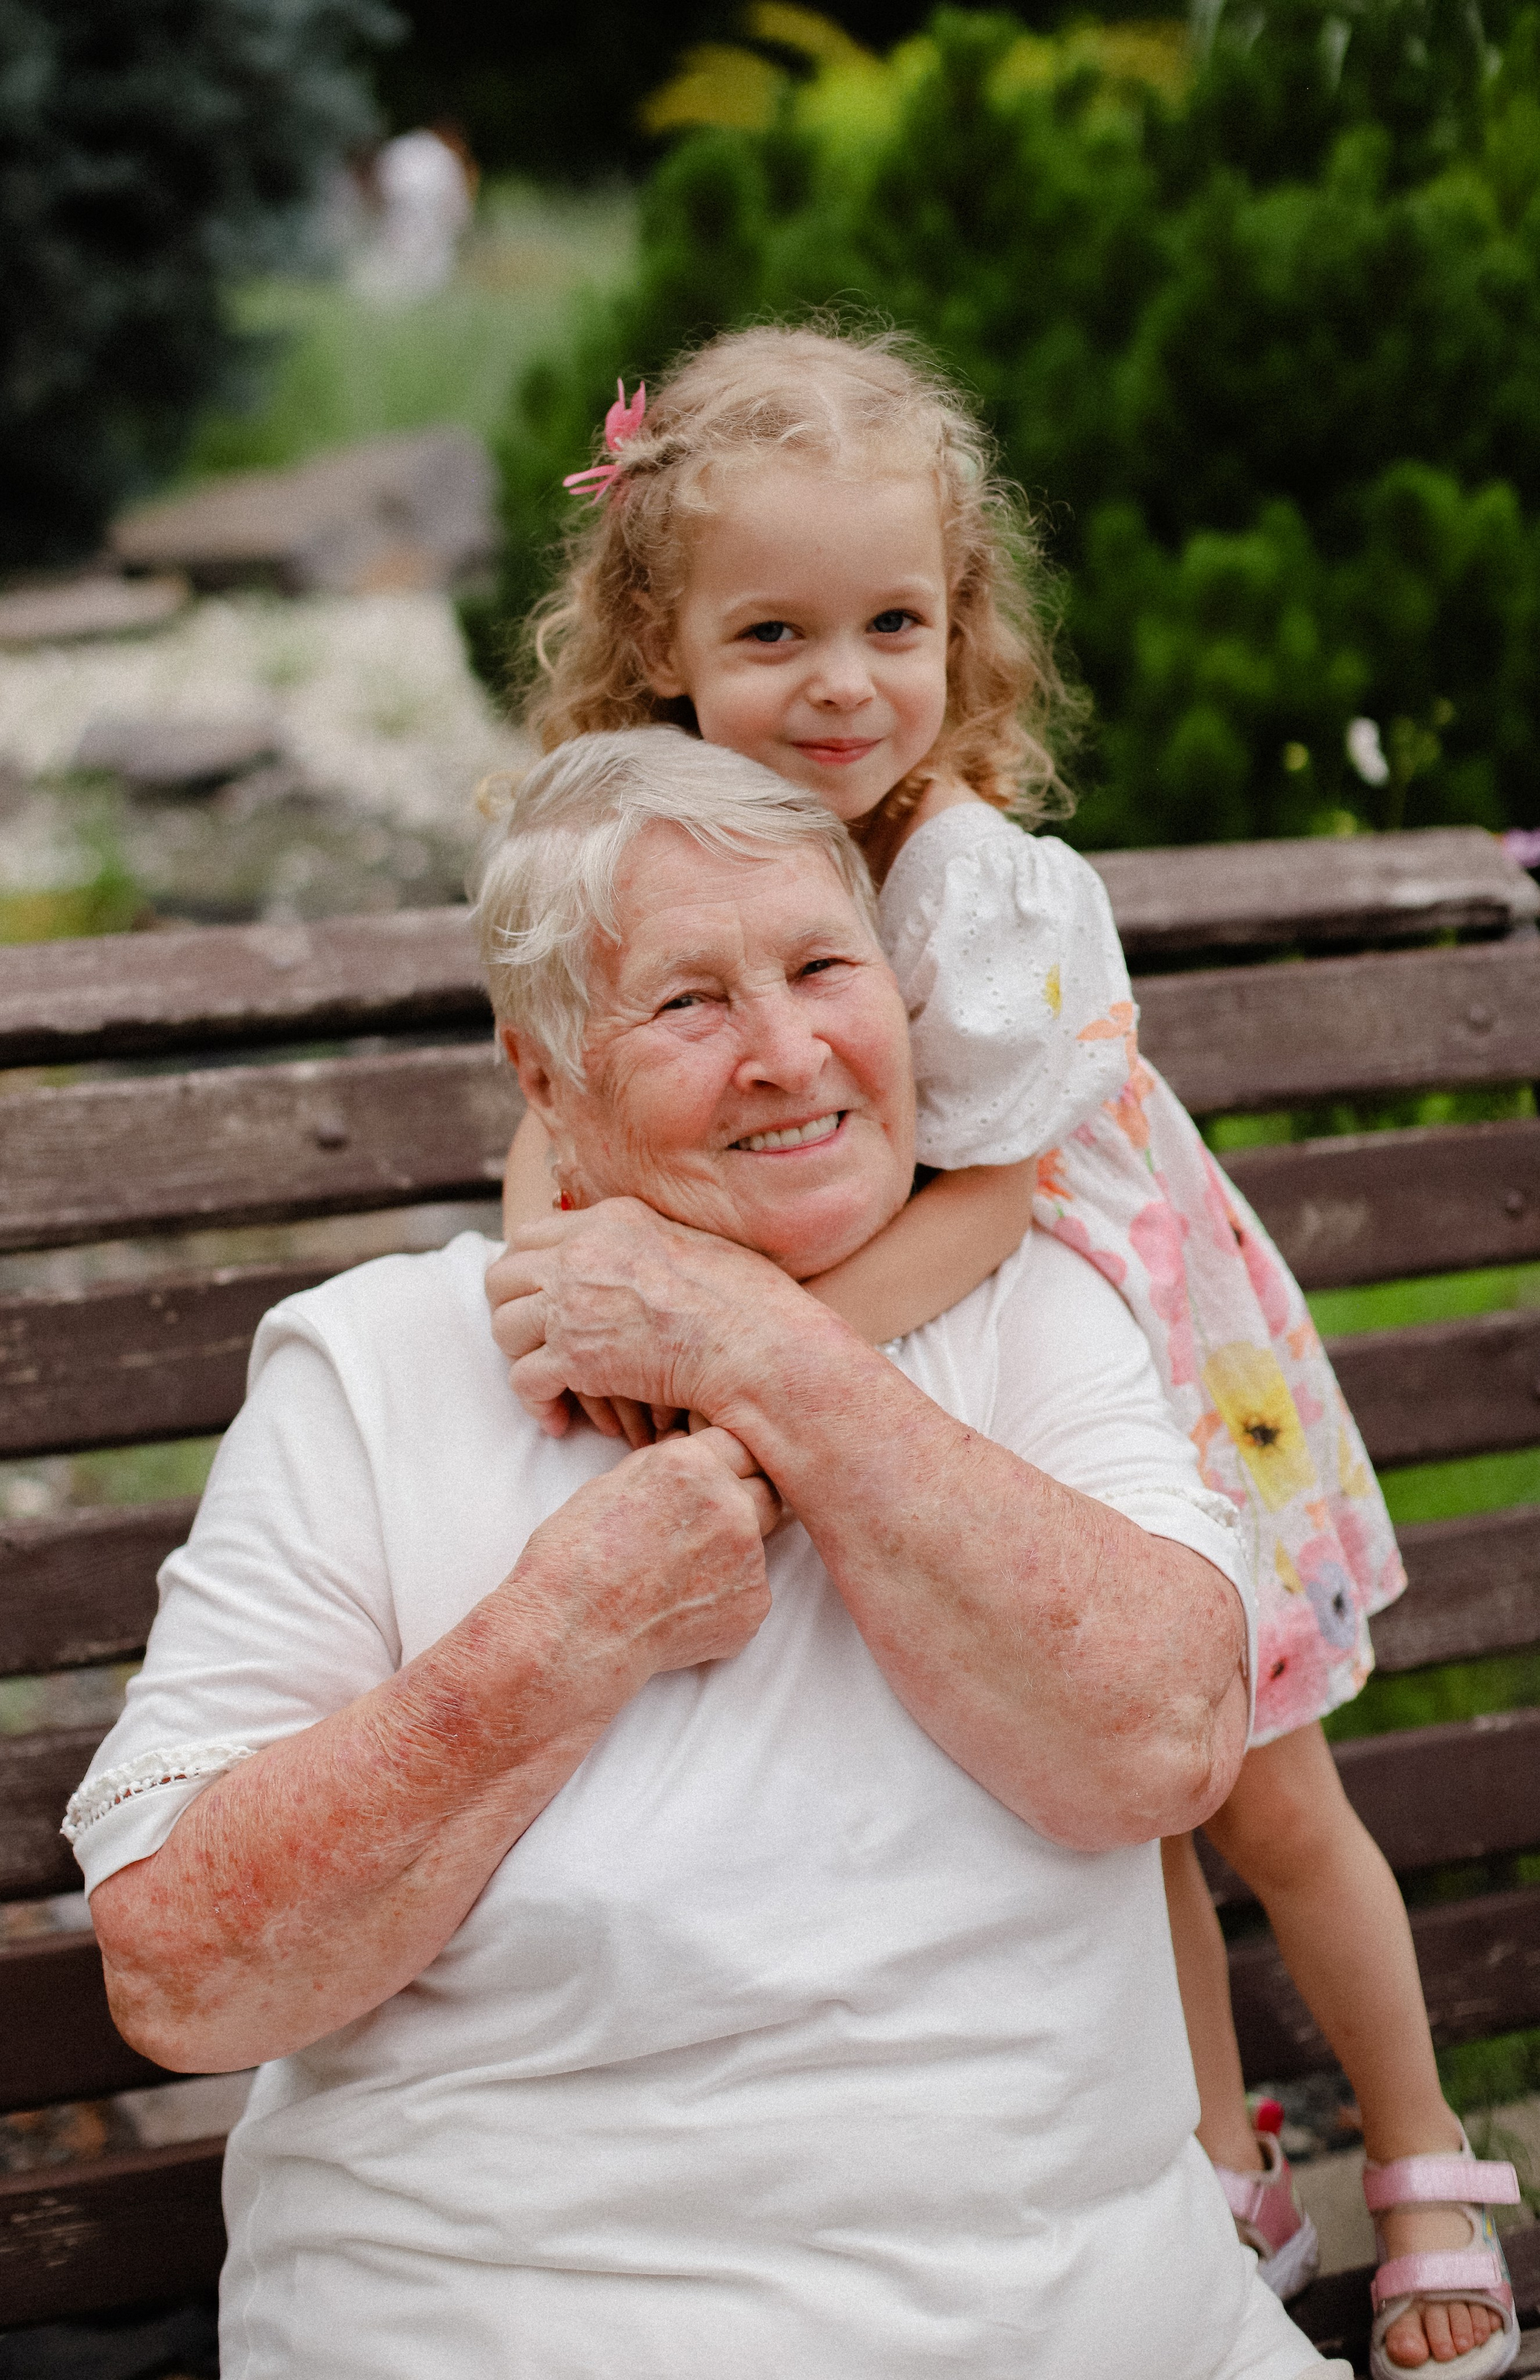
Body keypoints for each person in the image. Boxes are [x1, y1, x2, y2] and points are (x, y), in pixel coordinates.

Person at [71, 729, 1348, 2380]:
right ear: (545, 1082)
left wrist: (771, 1359)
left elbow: (1165, 1741)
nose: (789, 1052)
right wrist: (557, 1637)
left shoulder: (1042, 1313)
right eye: (688, 1005)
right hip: (526, 2324)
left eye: (827, 968)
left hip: (1095, 2324)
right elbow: (187, 1979)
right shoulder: (372, 1366)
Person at [501, 326, 1520, 2380]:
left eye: (895, 622)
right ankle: (1211, 2171)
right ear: (661, 641)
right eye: (773, 631)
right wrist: (560, 1287)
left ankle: (1417, 2154)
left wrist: (750, 1367)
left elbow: (989, 1199)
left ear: (965, 631)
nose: (844, 682)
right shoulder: (662, 855)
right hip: (938, 1397)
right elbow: (558, 1097)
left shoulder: (981, 883)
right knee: (1109, 1811)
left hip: (1132, 1374)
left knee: (1262, 1793)